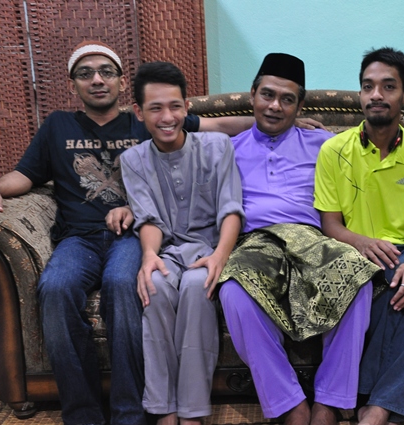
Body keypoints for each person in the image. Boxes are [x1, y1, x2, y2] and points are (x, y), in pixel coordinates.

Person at [0, 40, 260, 425]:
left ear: (120, 81)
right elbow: (27, 173)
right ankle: (83, 414)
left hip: (131, 235)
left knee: (122, 285)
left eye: (106, 72)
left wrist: (276, 124)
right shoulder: (58, 126)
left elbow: (219, 126)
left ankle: (130, 413)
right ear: (73, 84)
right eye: (85, 74)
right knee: (55, 289)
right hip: (78, 237)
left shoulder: (147, 120)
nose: (97, 80)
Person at [217, 53, 383, 425]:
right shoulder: (228, 148)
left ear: (300, 106)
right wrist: (247, 122)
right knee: (233, 292)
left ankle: (330, 401)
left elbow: (374, 155)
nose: (275, 106)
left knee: (357, 277)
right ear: (252, 96)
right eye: (267, 95)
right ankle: (289, 403)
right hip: (255, 241)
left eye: (287, 100)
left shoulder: (325, 144)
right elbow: (179, 124)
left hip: (312, 238)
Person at [314, 47, 404, 424]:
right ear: (360, 94)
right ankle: (374, 400)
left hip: (403, 249)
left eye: (388, 86)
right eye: (368, 86)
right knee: (363, 284)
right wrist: (362, 242)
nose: (376, 94)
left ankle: (378, 405)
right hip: (350, 249)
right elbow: (330, 225)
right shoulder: (333, 150)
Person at [120, 61, 244, 425]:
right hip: (169, 251)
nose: (167, 117)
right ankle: (165, 407)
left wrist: (220, 256)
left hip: (211, 248)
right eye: (155, 108)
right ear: (139, 112)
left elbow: (231, 208)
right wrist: (148, 256)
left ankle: (192, 410)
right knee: (154, 286)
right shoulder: (133, 160)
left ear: (187, 107)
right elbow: (148, 218)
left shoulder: (217, 146)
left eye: (175, 106)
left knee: (195, 286)